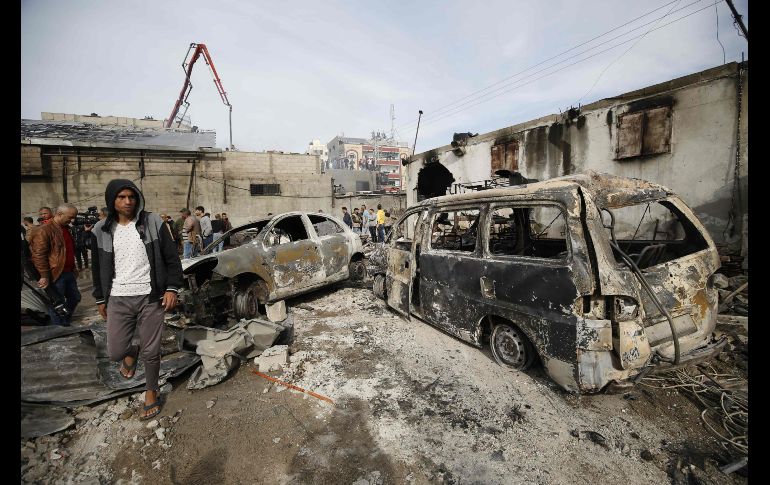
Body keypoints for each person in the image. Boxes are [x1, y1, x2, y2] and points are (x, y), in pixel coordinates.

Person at [90, 179, 183, 421]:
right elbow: (96, 267)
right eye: (121, 197)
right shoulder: (101, 229)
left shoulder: (152, 222)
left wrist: (172, 288)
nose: (127, 201)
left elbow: (171, 258)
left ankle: (151, 392)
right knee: (115, 351)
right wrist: (100, 298)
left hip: (150, 297)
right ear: (112, 200)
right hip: (118, 298)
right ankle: (131, 351)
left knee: (151, 351)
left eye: (131, 196)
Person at [27, 203, 81, 326]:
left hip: (68, 272)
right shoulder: (44, 230)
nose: (72, 220)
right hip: (55, 273)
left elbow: (67, 250)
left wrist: (74, 267)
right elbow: (39, 255)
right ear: (59, 214)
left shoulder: (65, 228)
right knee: (57, 302)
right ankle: (58, 327)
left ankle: (64, 321)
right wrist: (44, 275)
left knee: (75, 298)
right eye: (70, 217)